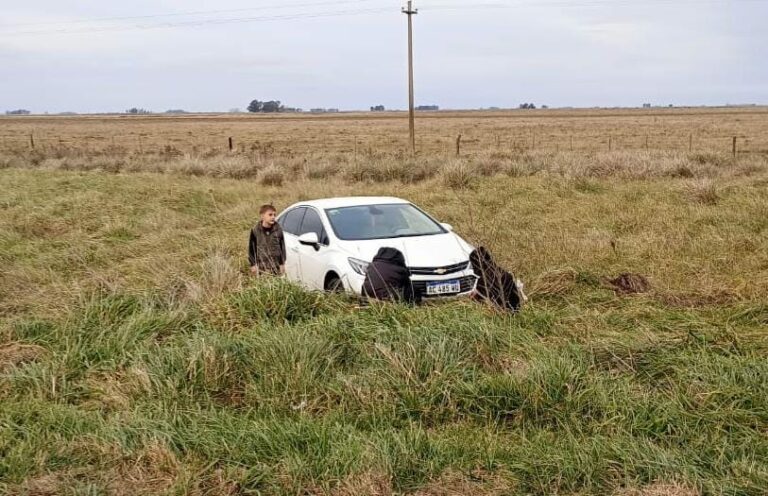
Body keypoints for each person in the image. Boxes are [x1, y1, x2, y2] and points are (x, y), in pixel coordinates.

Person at [469, 246, 525, 312]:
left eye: (473, 265)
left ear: (478, 265)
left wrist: (476, 296)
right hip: (515, 311)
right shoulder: (505, 274)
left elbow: (482, 301)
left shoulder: (483, 281)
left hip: (501, 314)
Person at [248, 204, 286, 276]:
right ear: (262, 216)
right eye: (270, 215)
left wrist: (282, 264)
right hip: (261, 267)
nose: (273, 217)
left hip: (275, 267)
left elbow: (282, 248)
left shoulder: (278, 230)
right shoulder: (255, 230)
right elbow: (251, 249)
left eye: (274, 215)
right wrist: (253, 264)